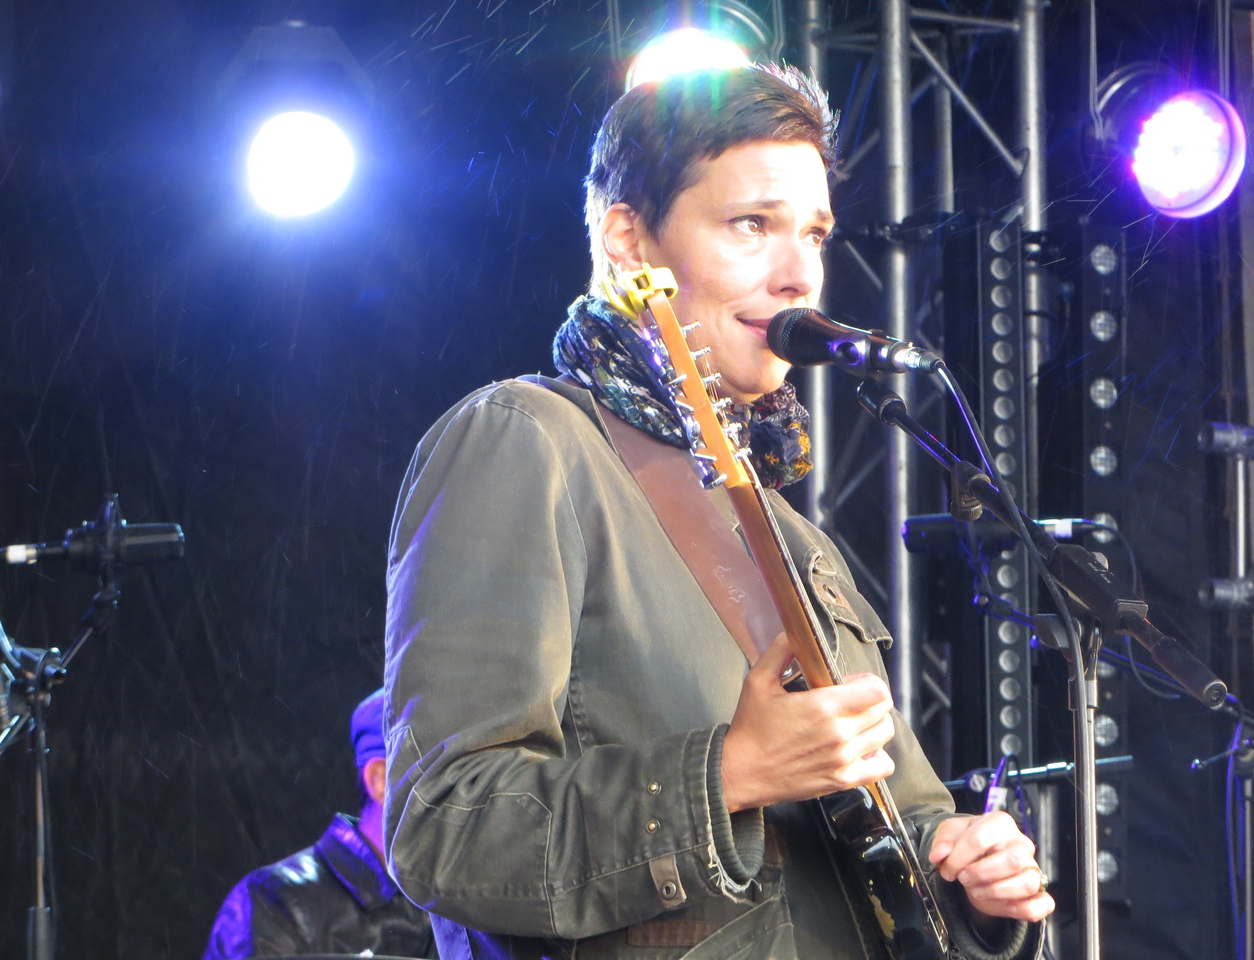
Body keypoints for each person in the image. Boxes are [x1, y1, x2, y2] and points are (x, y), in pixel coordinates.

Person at [383, 65, 1054, 960]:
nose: (799, 275)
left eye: (814, 234)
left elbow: (906, 819)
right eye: (752, 226)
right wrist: (727, 773)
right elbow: (444, 828)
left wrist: (969, 873)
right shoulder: (526, 440)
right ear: (628, 239)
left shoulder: (791, 532)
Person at [204, 689, 436, 959]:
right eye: (444, 773)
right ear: (380, 780)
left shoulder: (468, 900)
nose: (470, 794)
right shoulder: (275, 901)